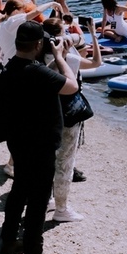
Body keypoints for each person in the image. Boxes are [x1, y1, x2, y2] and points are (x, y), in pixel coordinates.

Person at [0, 21, 79, 254]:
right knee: (38, 201)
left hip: (19, 142)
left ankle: (8, 242)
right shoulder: (37, 72)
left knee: (19, 189)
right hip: (40, 145)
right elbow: (71, 86)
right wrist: (59, 57)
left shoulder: (10, 67)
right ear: (38, 45)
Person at [41, 16, 102, 222]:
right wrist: (93, 34)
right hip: (66, 115)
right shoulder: (71, 59)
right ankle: (62, 209)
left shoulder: (37, 55)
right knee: (65, 162)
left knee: (48, 159)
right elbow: (96, 62)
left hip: (44, 114)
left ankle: (48, 199)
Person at [0, 0, 65, 65]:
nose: (24, 14)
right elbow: (36, 11)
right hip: (17, 64)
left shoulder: (3, 25)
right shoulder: (12, 21)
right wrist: (52, 4)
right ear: (16, 12)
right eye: (23, 12)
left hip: (8, 63)